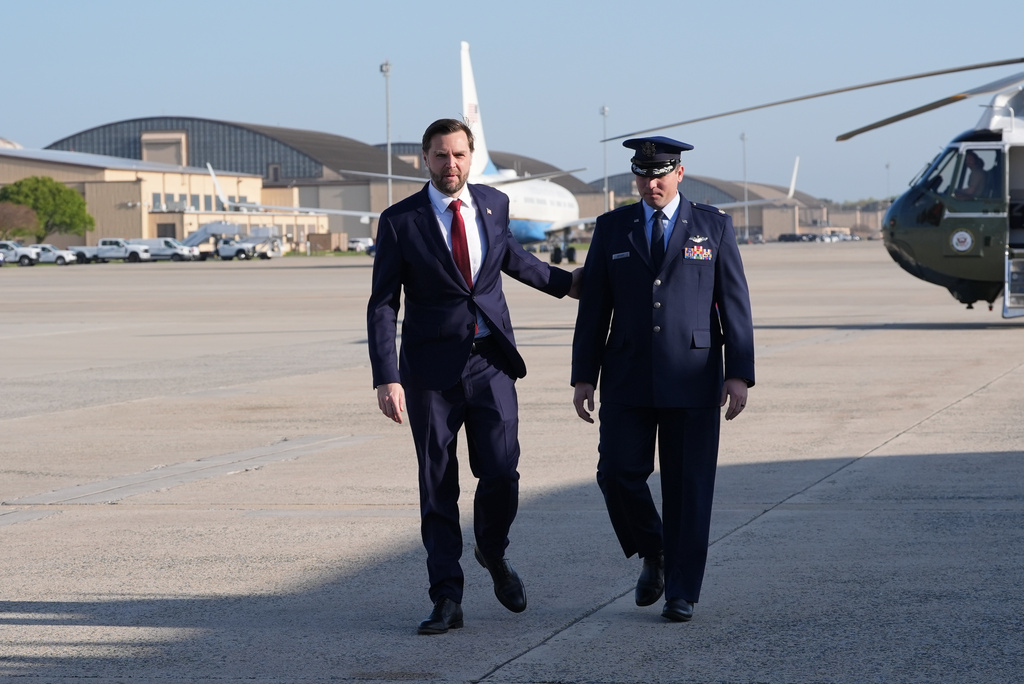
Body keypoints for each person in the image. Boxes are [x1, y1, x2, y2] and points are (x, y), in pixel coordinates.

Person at [367, 118, 582, 635]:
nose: (452, 165)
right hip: (429, 374)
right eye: (441, 156)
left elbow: (510, 258)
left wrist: (570, 285)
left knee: (503, 470)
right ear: (425, 159)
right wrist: (386, 376)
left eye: (460, 155)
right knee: (438, 485)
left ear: (471, 155)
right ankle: (446, 597)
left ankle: (492, 548)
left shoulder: (493, 203)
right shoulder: (401, 221)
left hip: (491, 362)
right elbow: (382, 303)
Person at [571, 136, 755, 622]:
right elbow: (594, 309)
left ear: (679, 173)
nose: (651, 184)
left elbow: (734, 304)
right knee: (616, 474)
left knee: (688, 487)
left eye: (660, 174)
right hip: (627, 375)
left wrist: (738, 373)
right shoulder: (612, 228)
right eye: (642, 175)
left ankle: (682, 592)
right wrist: (583, 375)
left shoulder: (712, 226)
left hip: (693, 378)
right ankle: (655, 551)